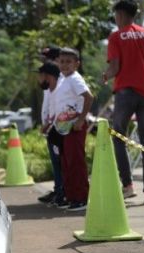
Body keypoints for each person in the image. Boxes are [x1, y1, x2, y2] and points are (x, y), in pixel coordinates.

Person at [103, 0, 144, 205]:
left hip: (125, 93)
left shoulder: (116, 37)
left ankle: (128, 186)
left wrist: (105, 75)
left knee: (119, 137)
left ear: (120, 15)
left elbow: (115, 67)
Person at [54, 48, 94, 211]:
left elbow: (89, 97)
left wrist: (81, 118)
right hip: (63, 125)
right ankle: (72, 197)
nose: (64, 65)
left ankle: (81, 198)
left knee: (76, 161)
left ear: (77, 64)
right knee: (66, 162)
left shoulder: (75, 79)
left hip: (74, 124)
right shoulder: (63, 79)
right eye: (62, 61)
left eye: (68, 62)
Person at [37, 47, 64, 205]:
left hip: (56, 126)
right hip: (50, 127)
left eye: (46, 58)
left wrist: (49, 123)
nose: (43, 61)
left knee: (60, 162)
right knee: (56, 163)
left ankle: (62, 192)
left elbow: (57, 107)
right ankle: (58, 189)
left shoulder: (59, 80)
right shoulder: (50, 81)